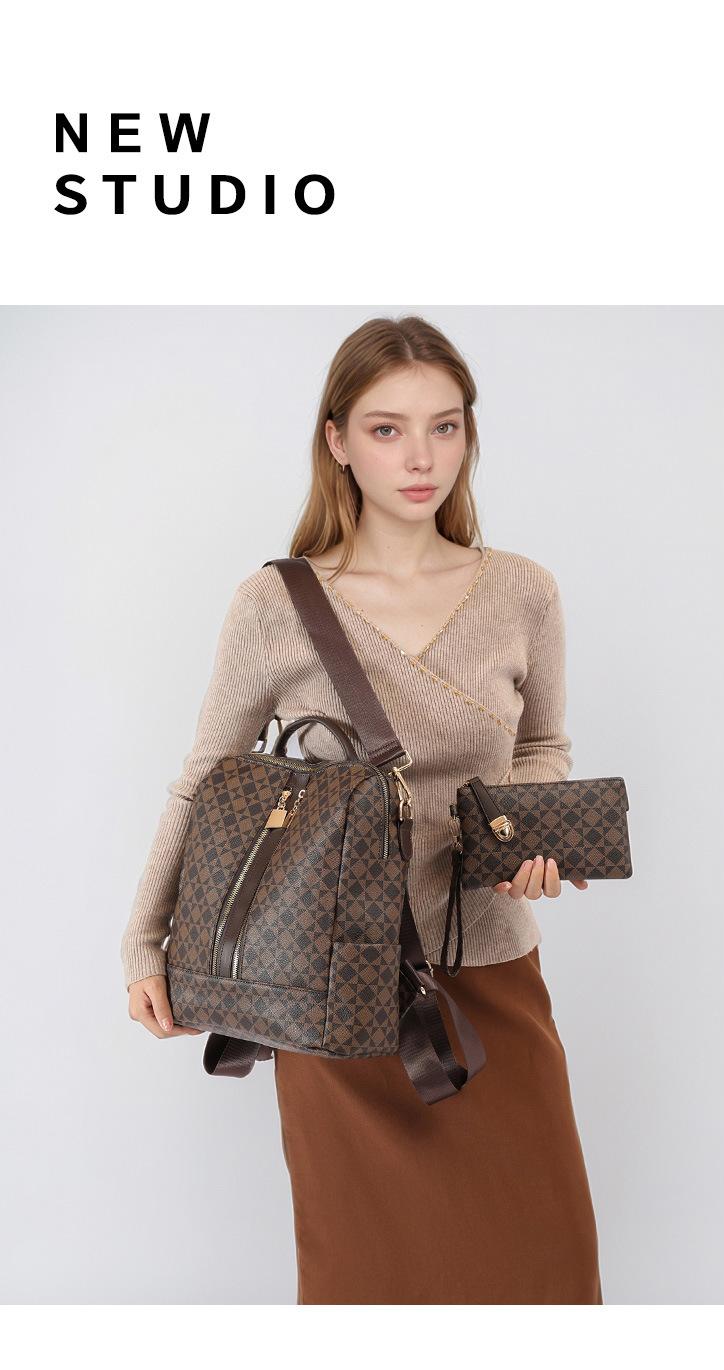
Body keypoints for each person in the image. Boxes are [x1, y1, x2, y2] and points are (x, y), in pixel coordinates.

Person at [121, 313, 603, 1304]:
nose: (420, 457)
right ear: (337, 440)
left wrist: (532, 837)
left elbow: (542, 746)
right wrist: (144, 942)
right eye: (388, 429)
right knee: (367, 1279)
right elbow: (206, 777)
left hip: (494, 974)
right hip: (332, 986)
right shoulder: (275, 604)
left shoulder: (524, 592)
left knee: (545, 1269)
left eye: (444, 426)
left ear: (468, 435)